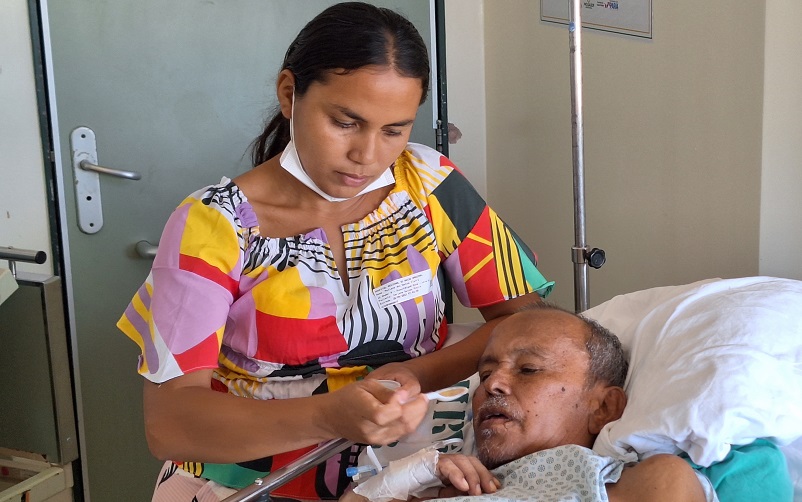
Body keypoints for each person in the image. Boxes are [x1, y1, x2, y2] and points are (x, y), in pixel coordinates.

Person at [116, 2, 553, 501]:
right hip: (251, 486)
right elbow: (171, 422)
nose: (367, 156)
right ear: (289, 93)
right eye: (345, 122)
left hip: (410, 476)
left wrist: (414, 373)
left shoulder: (429, 185)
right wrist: (328, 414)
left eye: (394, 130)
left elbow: (526, 320)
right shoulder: (213, 226)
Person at [343, 305, 717, 501]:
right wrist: (415, 472)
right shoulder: (431, 488)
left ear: (603, 408)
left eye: (529, 370)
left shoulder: (647, 483)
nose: (494, 385)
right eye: (485, 374)